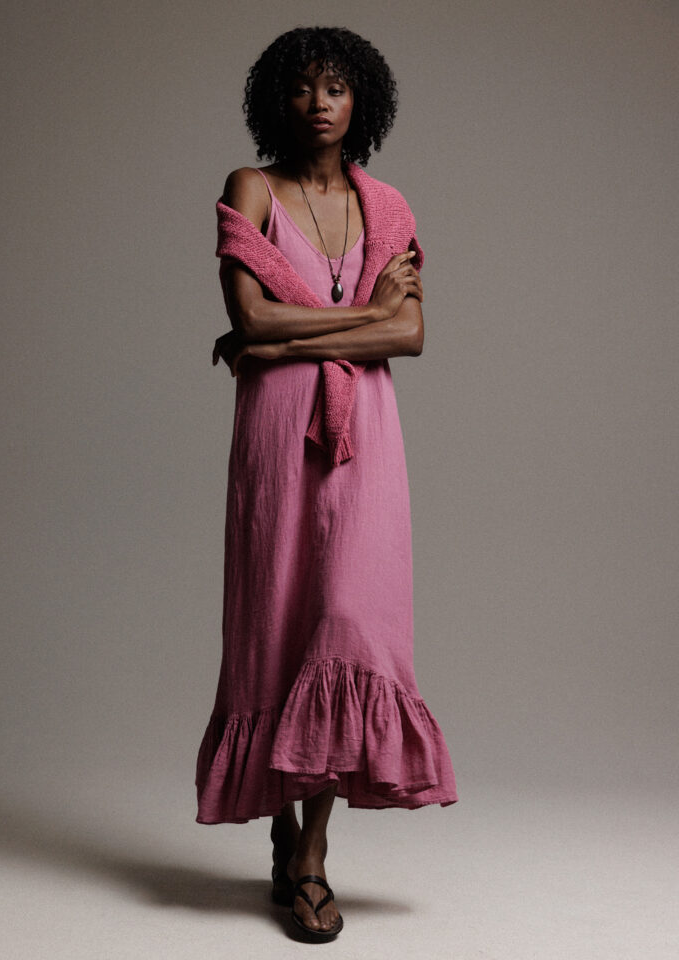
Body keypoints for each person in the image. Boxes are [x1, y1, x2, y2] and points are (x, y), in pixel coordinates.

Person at [195, 26, 458, 942]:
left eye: (338, 88)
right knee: (279, 622)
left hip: (366, 436)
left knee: (351, 618)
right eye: (304, 87)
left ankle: (310, 856)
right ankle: (282, 826)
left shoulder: (388, 206)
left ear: (361, 102)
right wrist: (355, 318)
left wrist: (282, 338)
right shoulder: (251, 188)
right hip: (276, 433)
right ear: (279, 99)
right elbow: (248, 317)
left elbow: (408, 336)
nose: (320, 103)